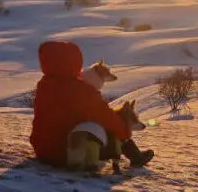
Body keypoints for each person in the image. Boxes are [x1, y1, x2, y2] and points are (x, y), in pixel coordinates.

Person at [29, 40, 152, 170]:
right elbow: (105, 116)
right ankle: (136, 157)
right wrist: (125, 132)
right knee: (114, 126)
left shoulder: (44, 85)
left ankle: (135, 155)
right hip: (67, 153)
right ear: (74, 62)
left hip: (42, 150)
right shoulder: (82, 90)